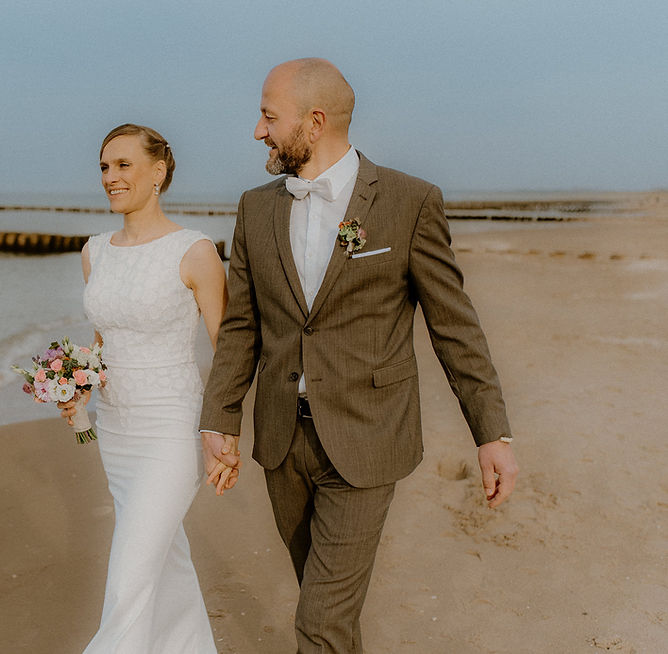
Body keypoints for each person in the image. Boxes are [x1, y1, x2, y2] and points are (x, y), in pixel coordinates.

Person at [199, 58, 520, 654]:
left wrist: (491, 433)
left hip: (369, 440)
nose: (257, 131)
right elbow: (243, 325)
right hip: (280, 444)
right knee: (329, 613)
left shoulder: (409, 201)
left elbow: (455, 327)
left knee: (318, 623)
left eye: (269, 116)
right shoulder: (255, 208)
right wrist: (219, 417)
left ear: (314, 122)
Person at [59, 123, 231, 653]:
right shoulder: (95, 252)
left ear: (158, 172)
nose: (111, 177)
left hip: (171, 433)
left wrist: (225, 433)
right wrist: (78, 384)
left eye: (124, 165)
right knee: (167, 566)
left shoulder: (195, 252)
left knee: (128, 583)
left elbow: (229, 352)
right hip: (116, 433)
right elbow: (102, 342)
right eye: (105, 167)